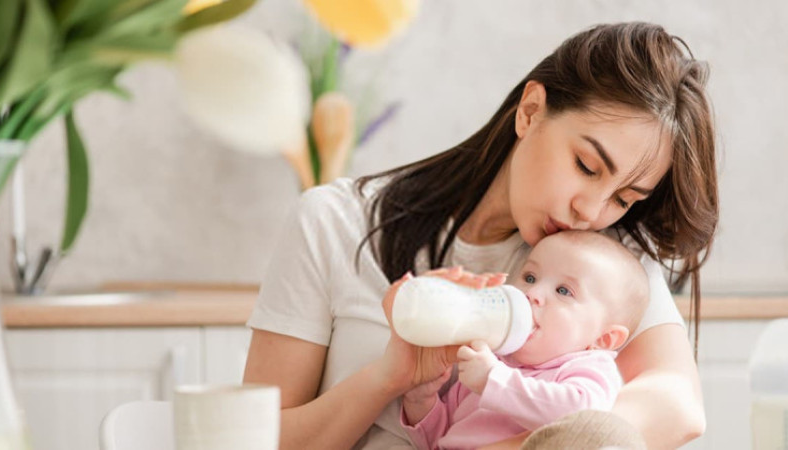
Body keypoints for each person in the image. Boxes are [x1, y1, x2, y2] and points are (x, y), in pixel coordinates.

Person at [243, 21, 717, 449]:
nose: (590, 211)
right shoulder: (334, 222)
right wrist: (388, 379)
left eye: (625, 198)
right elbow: (256, 439)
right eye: (586, 166)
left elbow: (677, 406)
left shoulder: (604, 260)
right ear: (530, 112)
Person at [400, 230, 650, 450]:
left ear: (603, 338)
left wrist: (493, 380)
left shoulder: (585, 368)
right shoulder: (491, 359)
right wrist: (421, 403)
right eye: (530, 277)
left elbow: (581, 419)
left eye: (563, 291)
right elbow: (440, 440)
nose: (533, 293)